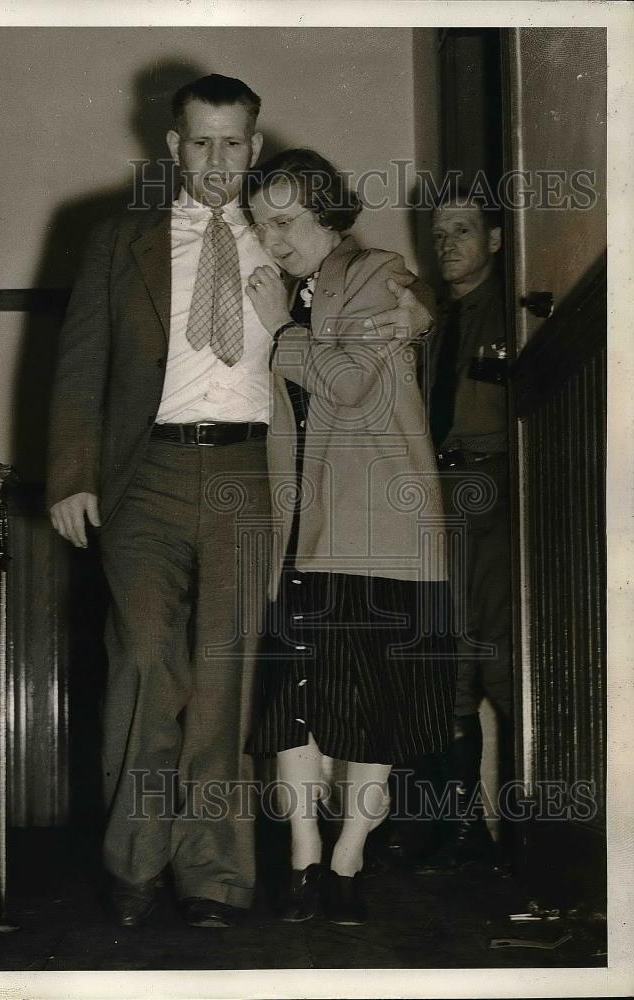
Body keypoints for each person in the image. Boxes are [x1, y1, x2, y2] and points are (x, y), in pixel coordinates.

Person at [47, 74, 276, 929]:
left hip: (249, 476)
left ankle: (214, 875)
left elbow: (362, 304)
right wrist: (71, 475)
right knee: (146, 660)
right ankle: (135, 861)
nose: (218, 160)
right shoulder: (119, 240)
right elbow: (80, 367)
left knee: (224, 678)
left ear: (254, 147)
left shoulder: (283, 237)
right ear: (174, 148)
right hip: (144, 478)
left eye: (234, 142)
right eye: (201, 142)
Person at [244, 149, 456, 925]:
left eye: (286, 221)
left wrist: (279, 329)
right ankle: (304, 858)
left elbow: (348, 382)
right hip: (299, 530)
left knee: (372, 710)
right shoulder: (275, 287)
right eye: (261, 224)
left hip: (378, 528)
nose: (270, 239)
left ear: (329, 214)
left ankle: (348, 858)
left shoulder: (377, 274)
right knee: (293, 705)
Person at [416, 184, 511, 871]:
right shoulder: (433, 319)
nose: (448, 244)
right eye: (439, 233)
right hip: (439, 495)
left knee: (502, 657)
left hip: (501, 494)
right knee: (447, 664)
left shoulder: (517, 310)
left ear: (496, 240)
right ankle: (459, 827)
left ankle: (524, 831)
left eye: (463, 231)